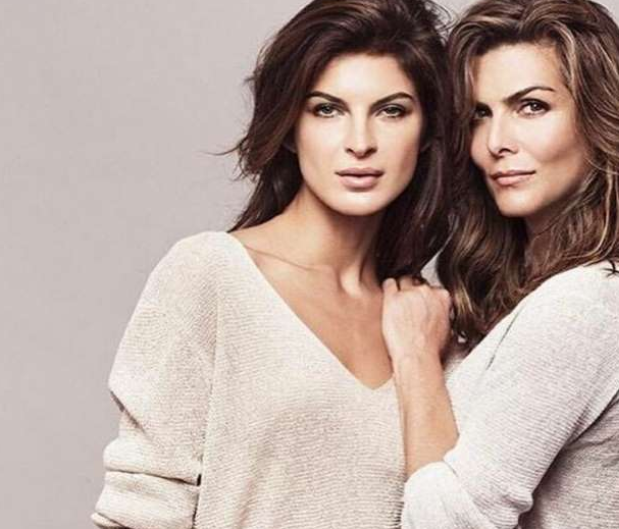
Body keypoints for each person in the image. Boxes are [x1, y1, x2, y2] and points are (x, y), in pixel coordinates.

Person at [90, 0, 453, 527]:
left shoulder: (428, 320)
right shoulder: (211, 276)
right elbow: (140, 510)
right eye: (327, 110)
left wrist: (420, 361)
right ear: (288, 128)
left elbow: (452, 513)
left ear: (426, 134)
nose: (360, 143)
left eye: (391, 111)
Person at [380, 0, 619, 527]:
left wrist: (414, 357)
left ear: (598, 118)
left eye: (531, 107)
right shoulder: (555, 292)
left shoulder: (585, 306)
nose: (496, 143)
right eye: (480, 114)